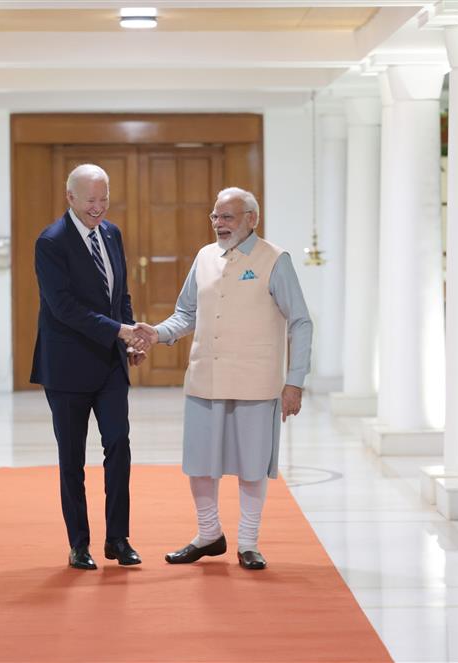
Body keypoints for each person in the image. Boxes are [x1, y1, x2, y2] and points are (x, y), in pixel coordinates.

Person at [134, 187, 312, 570]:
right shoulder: (203, 257)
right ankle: (208, 534)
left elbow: (301, 321)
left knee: (251, 466)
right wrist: (158, 333)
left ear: (252, 219)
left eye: (227, 217)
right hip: (205, 378)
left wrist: (294, 381)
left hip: (255, 382)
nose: (219, 224)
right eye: (215, 216)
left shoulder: (274, 260)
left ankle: (248, 542)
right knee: (200, 463)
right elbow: (186, 312)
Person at [31, 164, 146, 570]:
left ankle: (118, 538)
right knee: (72, 459)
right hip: (67, 368)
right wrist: (119, 330)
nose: (98, 208)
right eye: (90, 201)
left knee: (119, 446)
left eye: (104, 199)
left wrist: (130, 337)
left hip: (110, 364)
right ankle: (79, 544)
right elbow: (64, 309)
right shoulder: (52, 242)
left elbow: (121, 294)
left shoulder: (112, 234)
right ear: (71, 198)